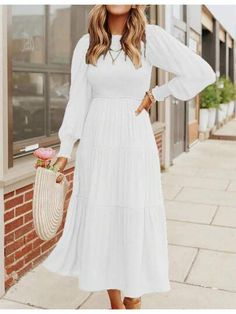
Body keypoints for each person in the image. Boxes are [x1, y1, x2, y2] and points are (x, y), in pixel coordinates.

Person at [42, 5, 216, 309]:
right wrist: (65, 150)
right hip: (96, 144)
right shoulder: (88, 43)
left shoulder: (150, 38)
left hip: (134, 142)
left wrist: (157, 94)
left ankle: (133, 296)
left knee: (134, 212)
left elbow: (202, 72)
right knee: (103, 218)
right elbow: (78, 100)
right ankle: (115, 302)